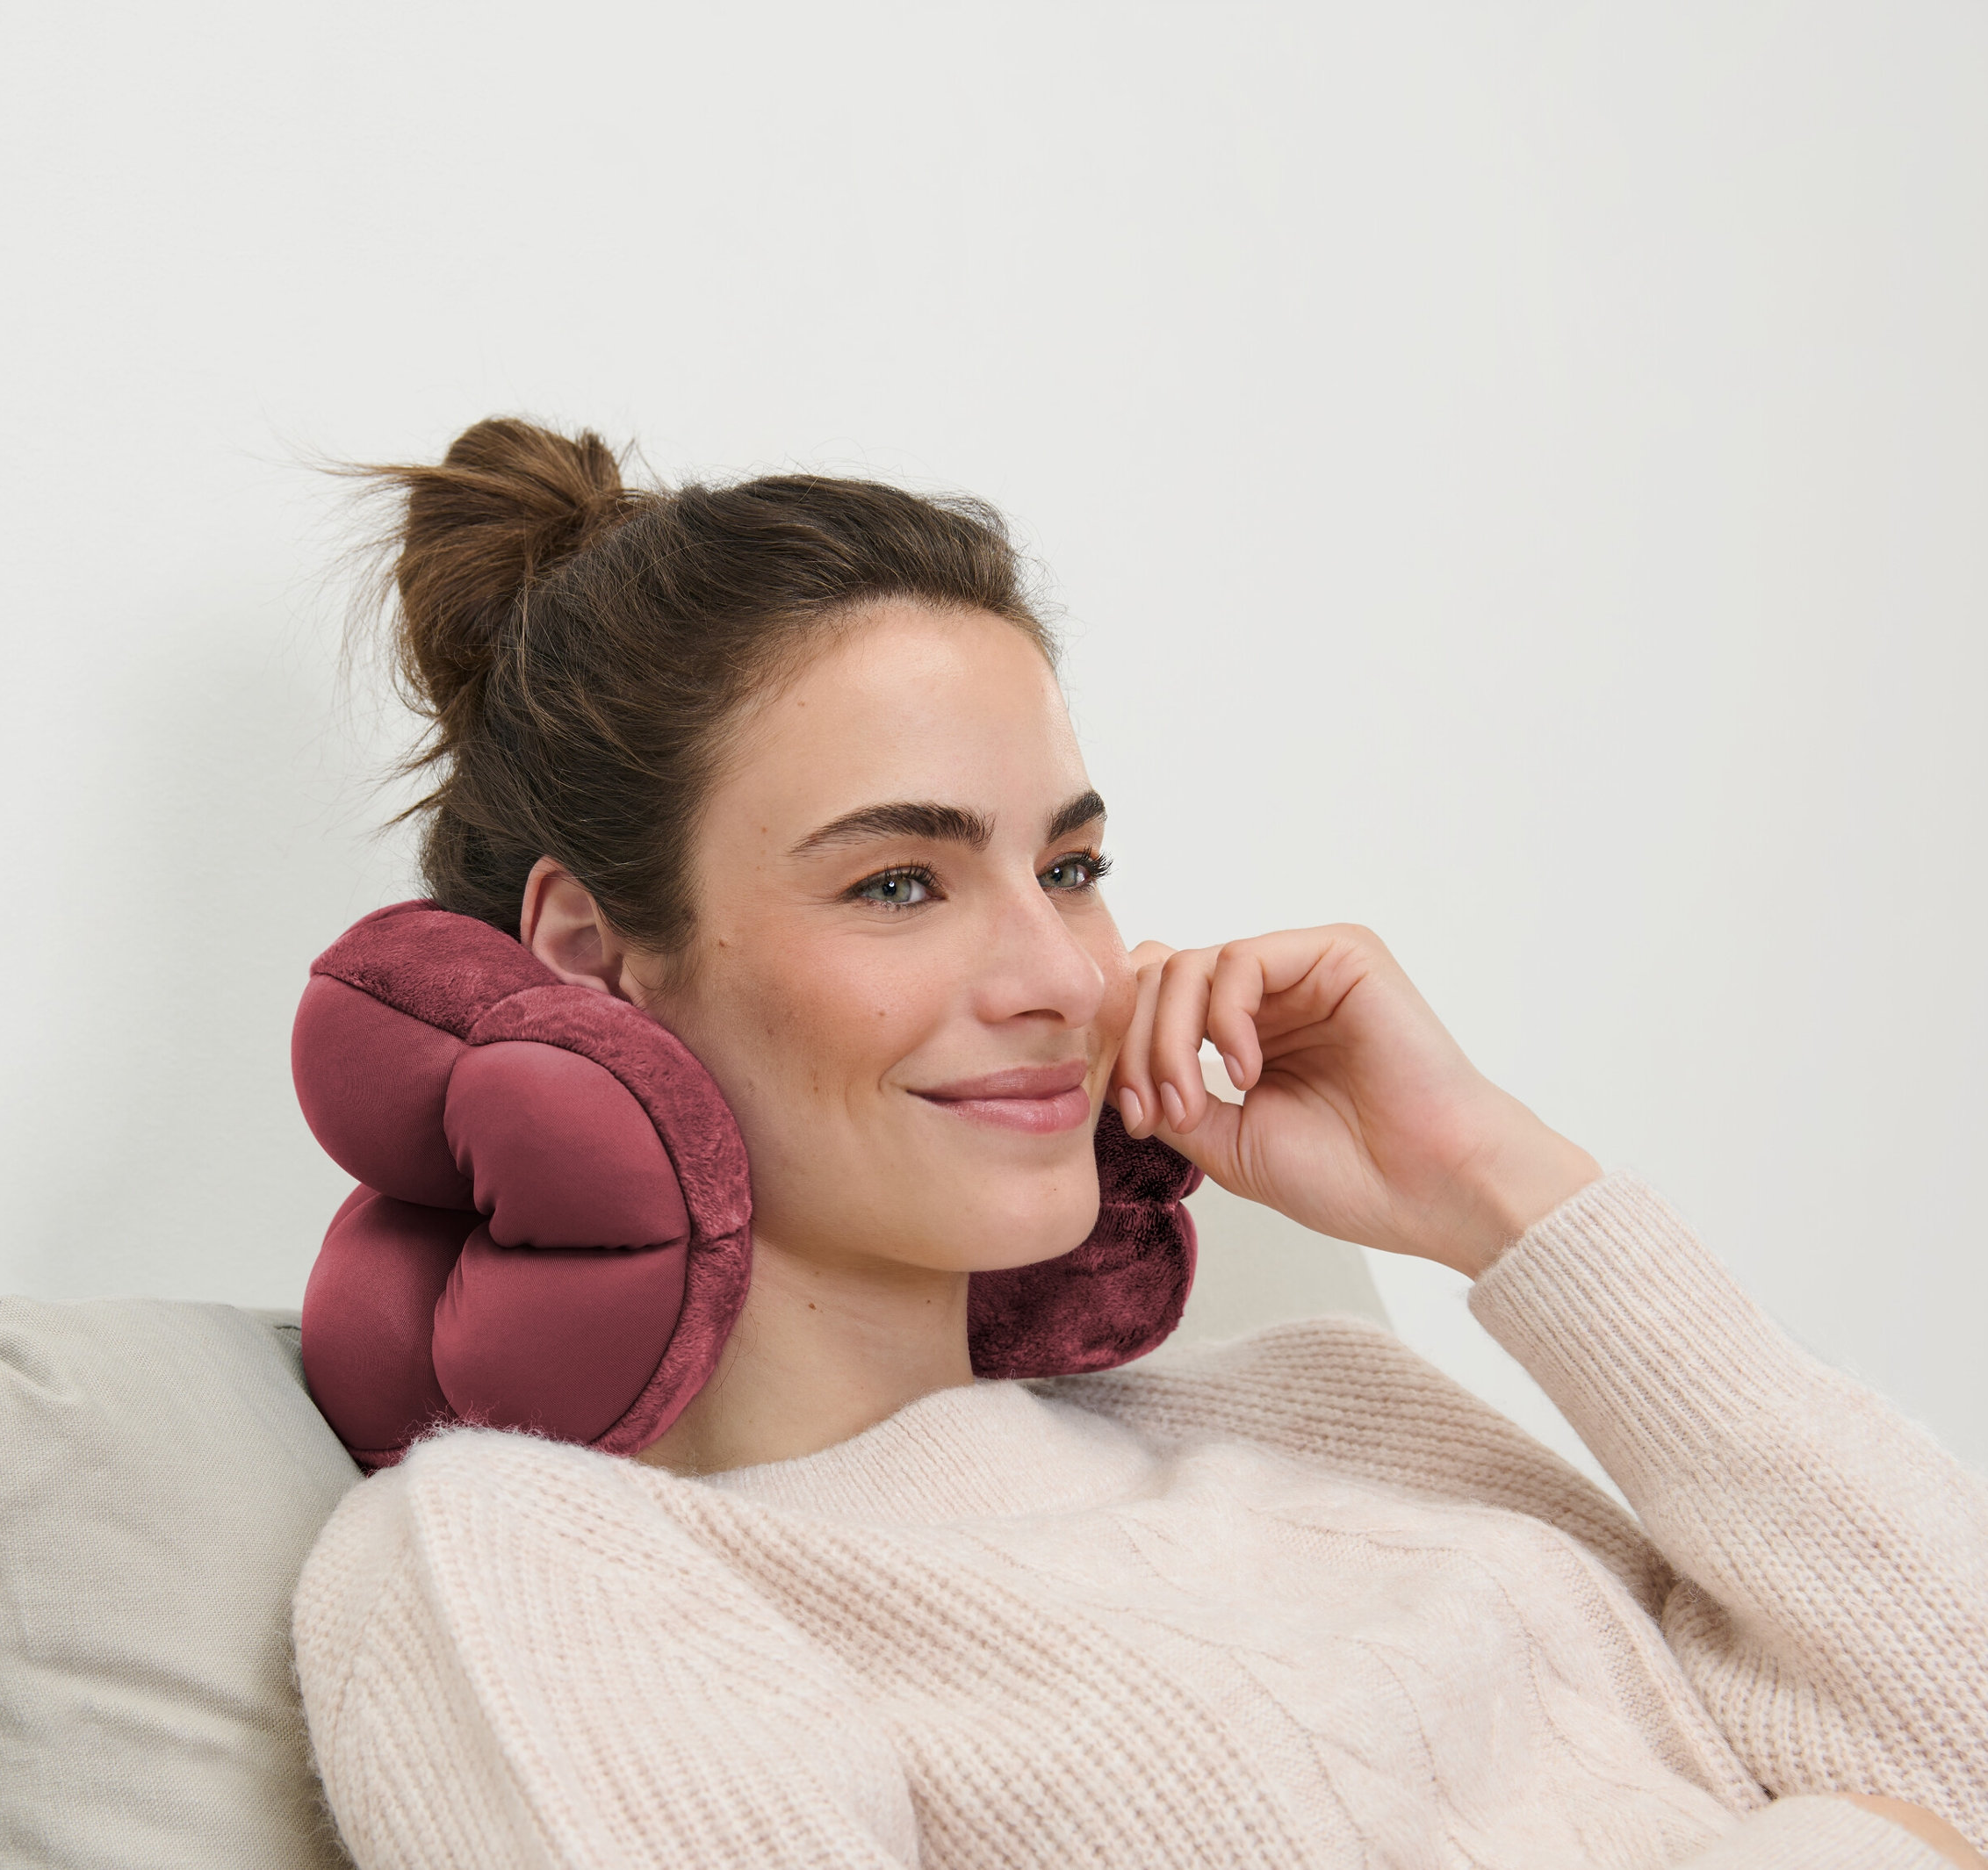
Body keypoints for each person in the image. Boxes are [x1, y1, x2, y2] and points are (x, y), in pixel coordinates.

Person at [291, 417, 1986, 1870]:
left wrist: (1496, 1187)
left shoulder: (1329, 1402)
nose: (1054, 975)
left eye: (1073, 867)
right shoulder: (537, 1567)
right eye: (901, 881)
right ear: (593, 951)